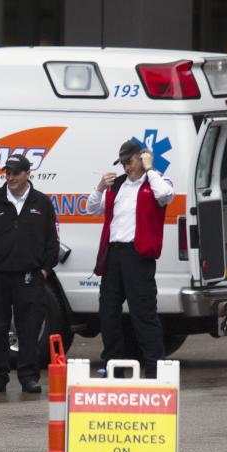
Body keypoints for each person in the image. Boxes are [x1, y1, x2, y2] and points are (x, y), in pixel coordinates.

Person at [0, 154, 59, 394]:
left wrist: (45, 270)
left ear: (28, 173)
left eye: (16, 173)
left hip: (28, 277)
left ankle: (29, 377)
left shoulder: (42, 203)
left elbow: (52, 240)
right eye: (7, 173)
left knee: (28, 329)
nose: (11, 178)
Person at [88, 139, 174, 378]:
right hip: (113, 255)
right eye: (123, 163)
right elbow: (92, 208)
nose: (126, 167)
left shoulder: (157, 181)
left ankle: (155, 369)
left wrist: (149, 168)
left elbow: (165, 195)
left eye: (130, 161)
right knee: (108, 312)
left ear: (142, 157)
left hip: (138, 256)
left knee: (143, 313)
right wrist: (99, 188)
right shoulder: (118, 185)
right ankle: (113, 367)